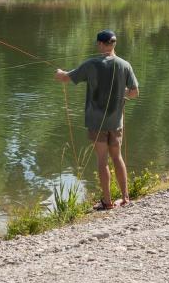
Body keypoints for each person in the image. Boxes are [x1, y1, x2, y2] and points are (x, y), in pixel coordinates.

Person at [55, 30, 139, 210]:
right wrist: (120, 93)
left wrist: (59, 72)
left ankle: (107, 202)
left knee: (102, 159)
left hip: (96, 121)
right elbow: (134, 93)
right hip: (116, 123)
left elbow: (64, 78)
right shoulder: (125, 65)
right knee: (117, 157)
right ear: (114, 44)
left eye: (97, 43)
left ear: (101, 44)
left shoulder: (91, 64)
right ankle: (125, 198)